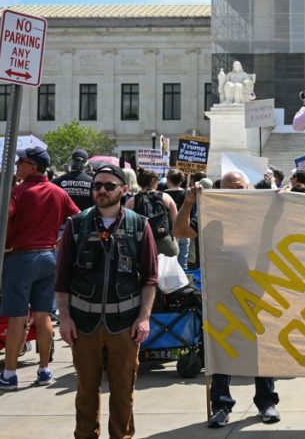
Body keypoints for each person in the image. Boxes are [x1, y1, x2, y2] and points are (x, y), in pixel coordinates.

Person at [55, 165, 157, 438]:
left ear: (124, 190)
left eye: (109, 186)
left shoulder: (139, 225)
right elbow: (62, 278)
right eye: (97, 185)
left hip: (124, 325)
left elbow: (150, 278)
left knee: (123, 392)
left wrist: (144, 318)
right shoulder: (77, 225)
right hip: (84, 325)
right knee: (86, 392)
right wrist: (64, 319)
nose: (101, 190)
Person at [173, 173, 281, 427]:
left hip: (255, 292)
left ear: (250, 188)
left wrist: (278, 200)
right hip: (220, 294)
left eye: (241, 187)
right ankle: (221, 406)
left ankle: (267, 403)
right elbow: (179, 230)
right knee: (220, 348)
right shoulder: (212, 215)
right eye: (231, 187)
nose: (237, 191)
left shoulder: (258, 212)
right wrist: (189, 203)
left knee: (259, 349)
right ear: (220, 191)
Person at [0, 146, 79, 390]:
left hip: (21, 258)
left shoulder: (17, 192)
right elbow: (78, 219)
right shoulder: (58, 192)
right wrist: (58, 243)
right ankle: (44, 369)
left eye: (21, 162)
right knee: (43, 315)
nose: (17, 165)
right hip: (48, 257)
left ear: (33, 167)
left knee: (16, 316)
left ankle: (9, 374)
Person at [126, 168, 179, 258]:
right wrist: (175, 242)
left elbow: (126, 225)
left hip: (142, 243)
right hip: (165, 242)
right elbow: (176, 222)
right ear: (154, 181)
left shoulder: (132, 201)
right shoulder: (166, 197)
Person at [164, 170, 190, 269]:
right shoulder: (187, 194)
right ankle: (183, 281)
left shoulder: (161, 195)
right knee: (183, 260)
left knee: (168, 261)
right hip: (184, 228)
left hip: (168, 230)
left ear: (168, 180)